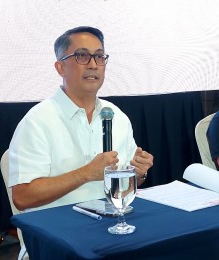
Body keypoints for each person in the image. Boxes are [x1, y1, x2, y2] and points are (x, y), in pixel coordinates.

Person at [8, 26, 154, 212]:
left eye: (99, 57)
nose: (93, 64)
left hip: (110, 220)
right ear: (60, 67)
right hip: (59, 229)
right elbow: (22, 197)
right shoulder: (37, 121)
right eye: (82, 56)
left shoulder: (117, 116)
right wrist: (86, 173)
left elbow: (126, 185)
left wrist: (139, 173)